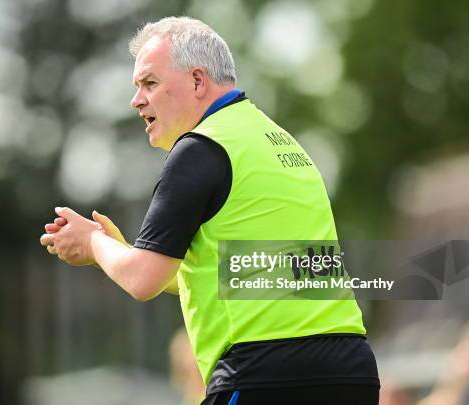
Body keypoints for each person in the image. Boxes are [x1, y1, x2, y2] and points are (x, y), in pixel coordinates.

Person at [40, 16, 380, 405]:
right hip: (351, 371)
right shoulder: (280, 142)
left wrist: (94, 243)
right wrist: (122, 254)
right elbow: (230, 275)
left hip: (264, 374)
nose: (136, 100)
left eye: (149, 83)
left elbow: (143, 280)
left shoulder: (201, 148)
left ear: (198, 81)